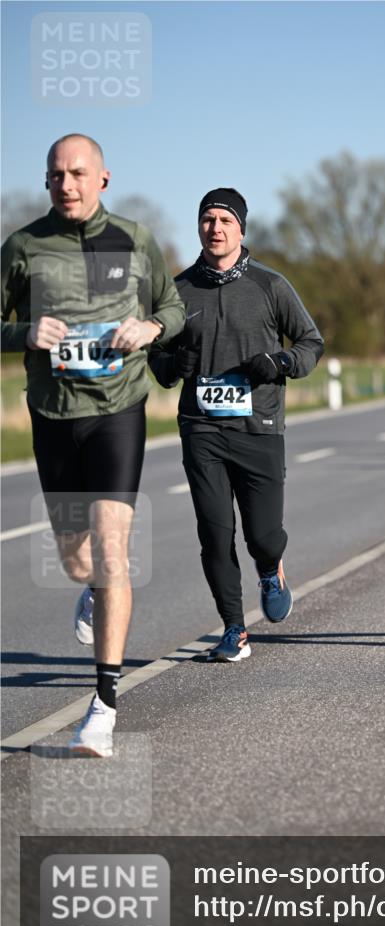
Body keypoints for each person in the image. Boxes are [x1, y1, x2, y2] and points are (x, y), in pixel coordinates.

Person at [1, 134, 185, 755]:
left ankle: (102, 706)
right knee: (78, 561)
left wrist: (150, 327)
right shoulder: (24, 246)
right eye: (56, 175)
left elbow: (172, 307)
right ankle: (91, 588)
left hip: (118, 410)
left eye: (78, 173)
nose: (67, 184)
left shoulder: (134, 239)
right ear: (46, 181)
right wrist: (25, 333)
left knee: (111, 553)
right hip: (54, 416)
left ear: (103, 178)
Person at [149, 187, 323, 662]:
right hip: (201, 428)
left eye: (226, 220)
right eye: (208, 219)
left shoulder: (270, 285)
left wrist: (280, 361)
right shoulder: (178, 292)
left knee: (262, 536)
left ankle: (270, 568)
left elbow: (311, 343)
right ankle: (233, 629)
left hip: (259, 427)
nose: (216, 228)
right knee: (214, 532)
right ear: (199, 227)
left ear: (241, 229)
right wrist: (174, 363)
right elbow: (157, 361)